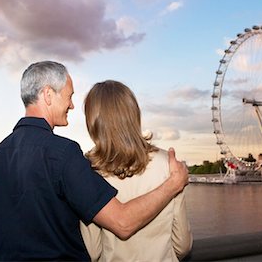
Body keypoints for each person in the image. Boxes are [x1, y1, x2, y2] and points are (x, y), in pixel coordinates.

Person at [0, 61, 189, 261]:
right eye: (69, 96)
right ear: (48, 94)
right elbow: (123, 223)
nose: (71, 105)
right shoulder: (63, 153)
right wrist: (173, 183)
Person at [80, 80, 193, 262]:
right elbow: (182, 245)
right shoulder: (169, 165)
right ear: (134, 114)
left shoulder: (89, 170)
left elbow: (92, 251)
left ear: (93, 121)